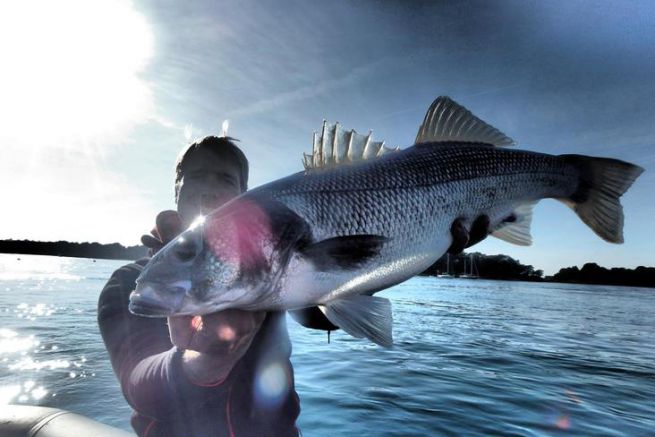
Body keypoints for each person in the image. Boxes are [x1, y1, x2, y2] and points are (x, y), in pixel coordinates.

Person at [98, 135, 489, 436]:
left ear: (245, 196)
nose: (209, 189)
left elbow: (321, 316)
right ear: (176, 193)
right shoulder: (129, 283)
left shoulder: (273, 260)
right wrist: (205, 363)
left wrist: (423, 243)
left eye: (225, 179)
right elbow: (136, 381)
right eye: (195, 178)